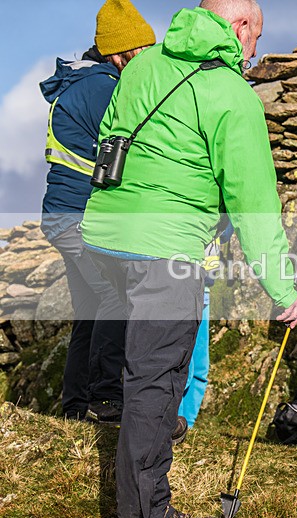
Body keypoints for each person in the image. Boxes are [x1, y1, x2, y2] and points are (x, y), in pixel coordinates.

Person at [80, 1, 297, 518]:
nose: (253, 52)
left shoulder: (141, 65)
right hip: (166, 248)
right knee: (155, 383)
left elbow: (110, 140)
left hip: (106, 238)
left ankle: (146, 489)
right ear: (241, 27)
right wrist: (281, 287)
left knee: (149, 374)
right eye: (255, 38)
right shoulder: (232, 94)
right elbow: (254, 202)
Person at [39, 0, 155, 424]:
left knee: (89, 309)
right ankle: (106, 399)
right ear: (119, 52)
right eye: (140, 53)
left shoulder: (87, 81)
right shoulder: (107, 88)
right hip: (78, 217)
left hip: (64, 214)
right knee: (114, 298)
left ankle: (75, 406)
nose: (146, 61)